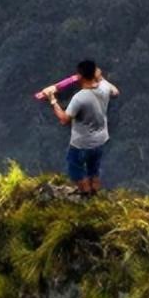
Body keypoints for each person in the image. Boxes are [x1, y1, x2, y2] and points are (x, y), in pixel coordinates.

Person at [43, 60, 120, 196]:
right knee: (93, 170)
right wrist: (101, 78)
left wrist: (52, 100)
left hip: (82, 144)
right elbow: (116, 92)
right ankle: (95, 195)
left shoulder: (80, 98)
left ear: (81, 76)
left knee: (76, 170)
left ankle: (86, 196)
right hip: (100, 140)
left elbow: (64, 119)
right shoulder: (104, 88)